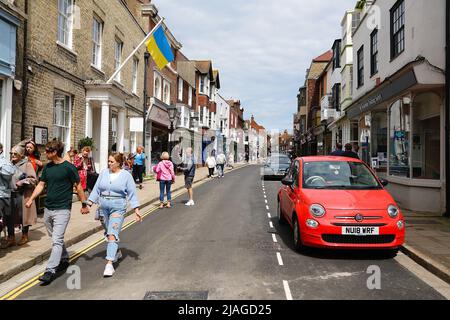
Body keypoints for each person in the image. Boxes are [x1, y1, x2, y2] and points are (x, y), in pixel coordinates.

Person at [25, 140, 89, 285]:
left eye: (48, 151)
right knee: (55, 238)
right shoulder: (47, 168)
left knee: (56, 240)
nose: (45, 153)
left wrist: (84, 203)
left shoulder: (69, 167)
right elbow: (41, 184)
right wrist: (31, 199)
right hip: (48, 208)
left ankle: (50, 270)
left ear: (55, 152)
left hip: (62, 209)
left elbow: (78, 186)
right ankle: (64, 258)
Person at [86, 153, 142, 277]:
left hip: (118, 207)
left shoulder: (126, 175)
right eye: (109, 161)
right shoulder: (104, 173)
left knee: (112, 234)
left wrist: (136, 209)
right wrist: (89, 203)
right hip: (103, 207)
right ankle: (116, 251)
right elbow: (96, 189)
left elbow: (132, 193)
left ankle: (109, 264)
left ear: (118, 162)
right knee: (108, 232)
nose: (109, 163)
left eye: (111, 161)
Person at [9, 145, 38, 246]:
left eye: (15, 153)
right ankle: (11, 238)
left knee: (23, 216)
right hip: (10, 194)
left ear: (21, 155)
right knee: (9, 216)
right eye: (11, 153)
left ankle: (24, 236)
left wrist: (22, 182)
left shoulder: (27, 165)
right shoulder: (9, 164)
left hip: (23, 194)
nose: (12, 155)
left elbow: (33, 179)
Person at [0, 143, 17, 249]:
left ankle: (11, 238)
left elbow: (10, 172)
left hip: (2, 195)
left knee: (8, 217)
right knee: (8, 217)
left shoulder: (4, 162)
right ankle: (11, 237)